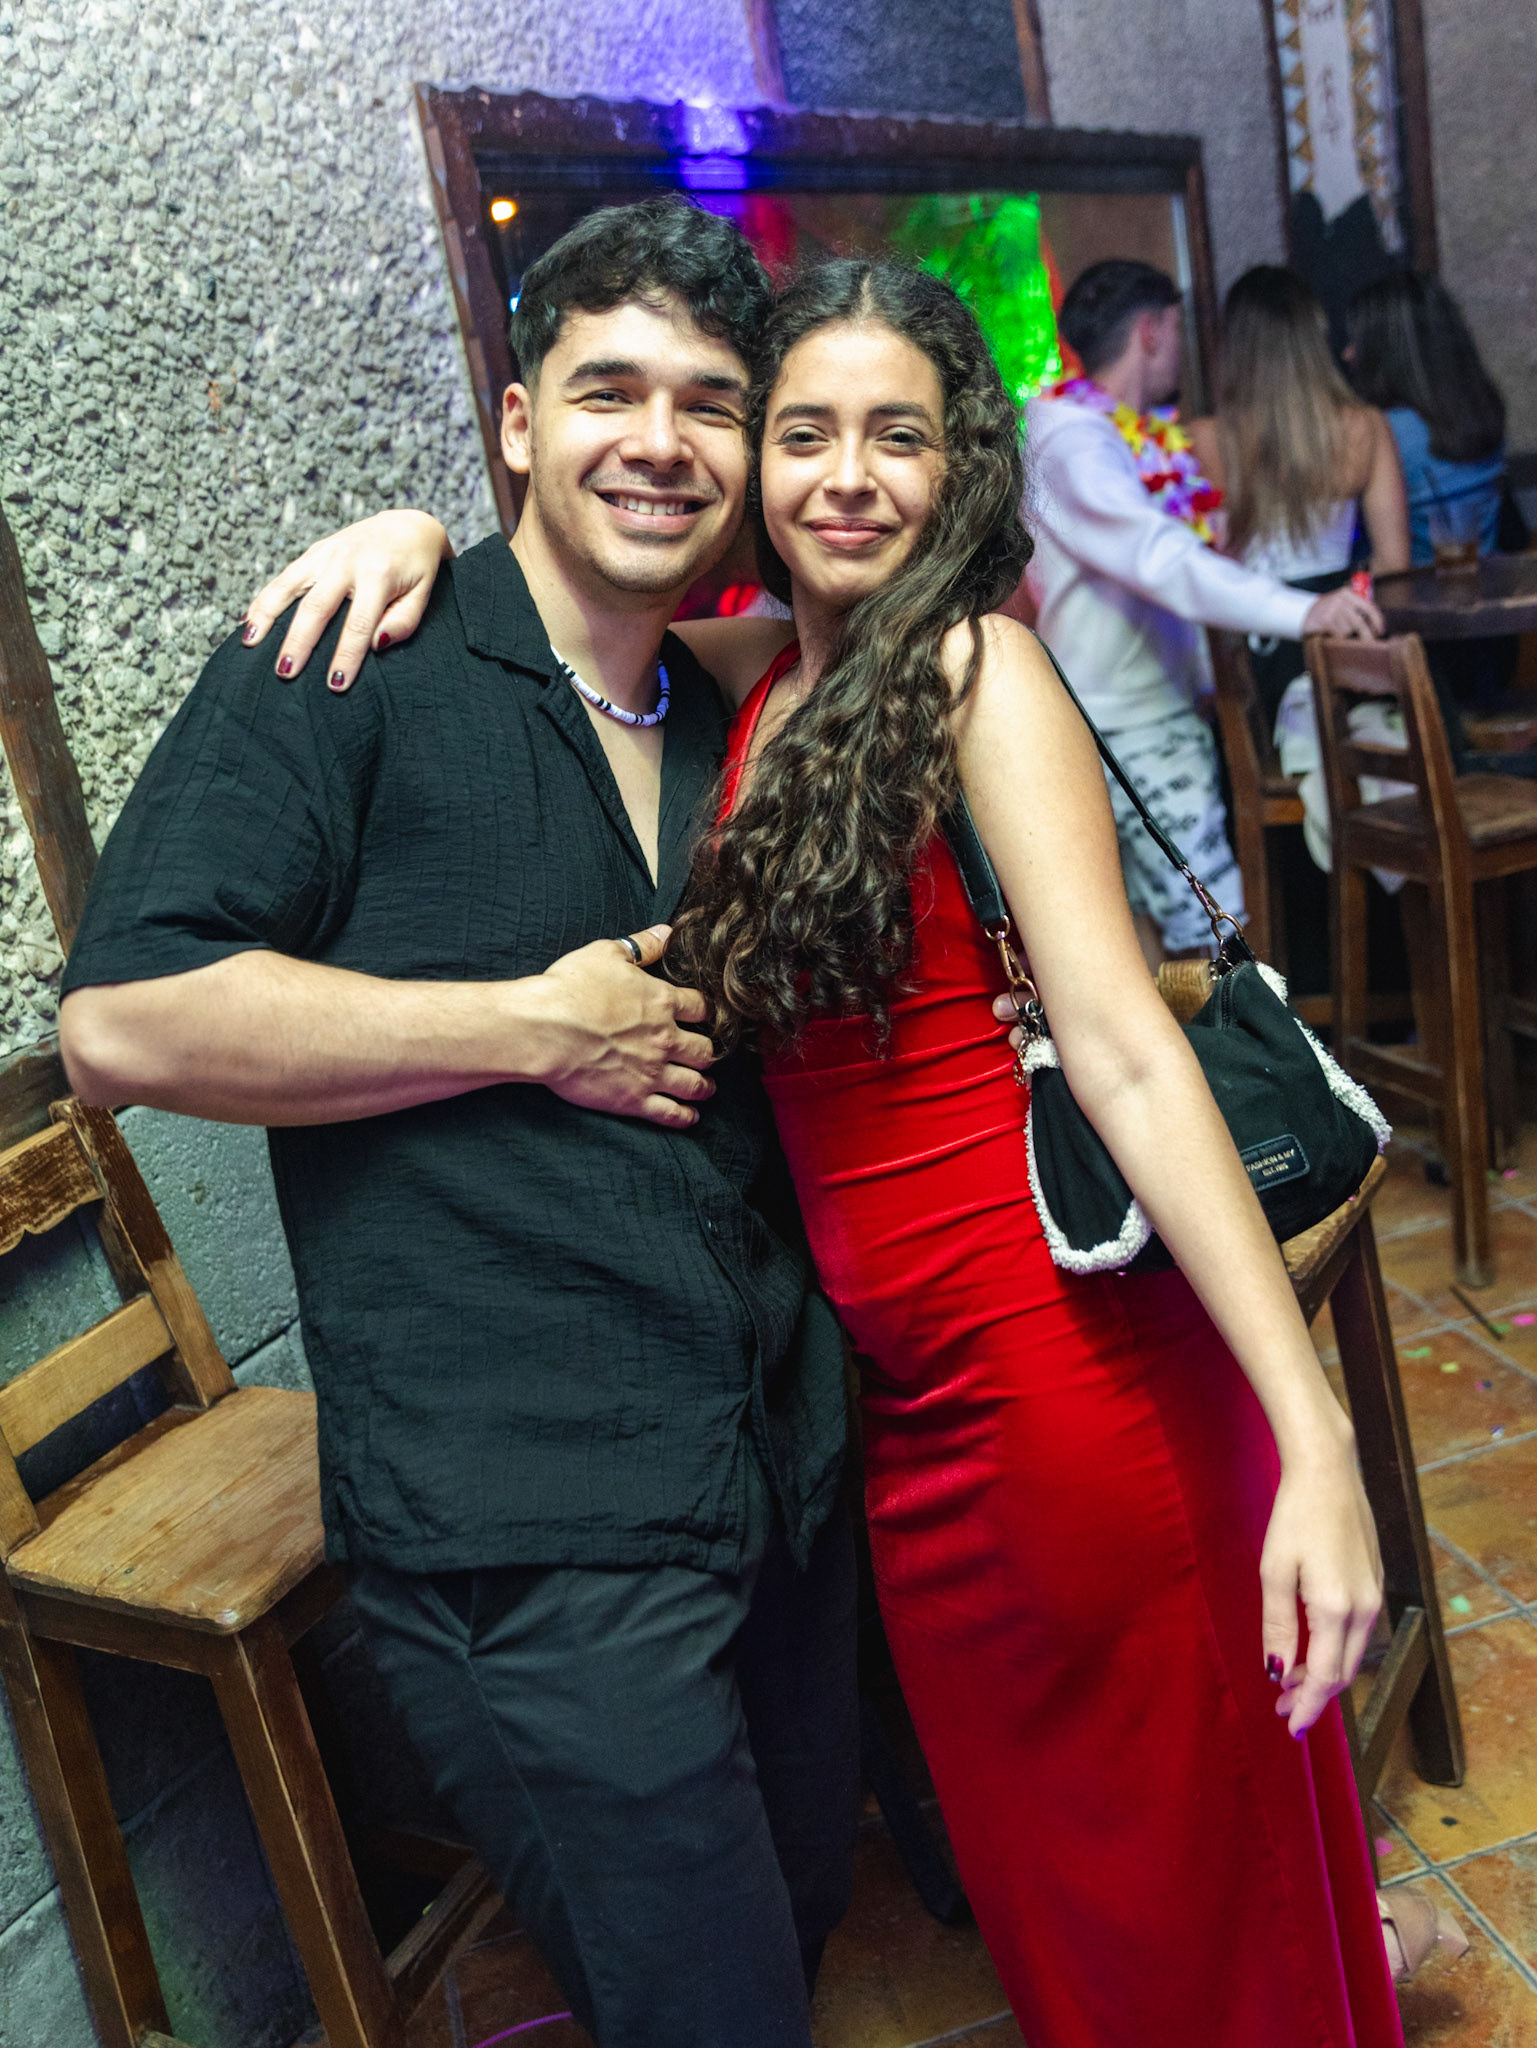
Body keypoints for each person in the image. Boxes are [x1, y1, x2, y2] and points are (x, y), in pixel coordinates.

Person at [245, 260, 1400, 2048]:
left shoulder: (976, 668)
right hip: (913, 1426)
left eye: (897, 437)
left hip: (1071, 1391)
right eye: (804, 434)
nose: (848, 477)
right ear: (754, 467)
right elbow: (565, 609)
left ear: (961, 466)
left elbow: (1125, 1054)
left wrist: (1311, 1439)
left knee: (1189, 1905)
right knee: (1066, 1910)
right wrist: (418, 539)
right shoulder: (774, 678)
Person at [57, 197, 859, 2048]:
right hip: (536, 1523)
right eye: (607, 391)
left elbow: (896, 595)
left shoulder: (715, 694)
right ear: (515, 420)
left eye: (710, 403)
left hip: (766, 1463)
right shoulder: (348, 663)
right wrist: (524, 1029)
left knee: (801, 1913)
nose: (660, 441)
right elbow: (118, 1021)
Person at [1025, 258, 1383, 966]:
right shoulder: (1075, 439)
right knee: (1213, 934)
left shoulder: (1120, 434)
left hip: (1128, 710)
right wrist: (1307, 612)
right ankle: (1238, 1045)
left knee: (1154, 939)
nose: (1184, 348)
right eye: (1178, 328)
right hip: (1130, 720)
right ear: (1151, 332)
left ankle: (1194, 1042)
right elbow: (1160, 560)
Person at [1183, 266, 1410, 879]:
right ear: (1314, 336)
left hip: (1257, 665)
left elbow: (1196, 566)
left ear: (1234, 346)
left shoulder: (1203, 438)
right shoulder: (1363, 425)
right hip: (1345, 646)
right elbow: (1395, 564)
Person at [1346, 270, 1508, 570]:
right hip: (1489, 583)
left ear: (1386, 349)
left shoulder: (1382, 431)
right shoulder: (1484, 409)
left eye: (1357, 341)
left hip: (1412, 592)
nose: (1348, 354)